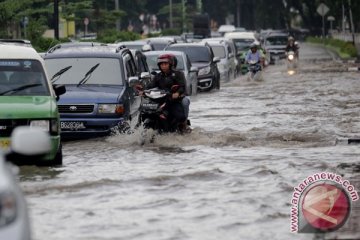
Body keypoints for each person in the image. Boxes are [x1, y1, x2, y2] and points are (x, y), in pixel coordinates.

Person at [144, 53, 190, 133]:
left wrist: (177, 93)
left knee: (182, 113)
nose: (163, 66)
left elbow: (182, 86)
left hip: (175, 99)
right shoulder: (158, 76)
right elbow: (150, 86)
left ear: (170, 64)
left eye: (165, 64)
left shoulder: (178, 74)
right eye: (161, 64)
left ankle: (183, 125)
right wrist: (143, 91)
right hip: (162, 99)